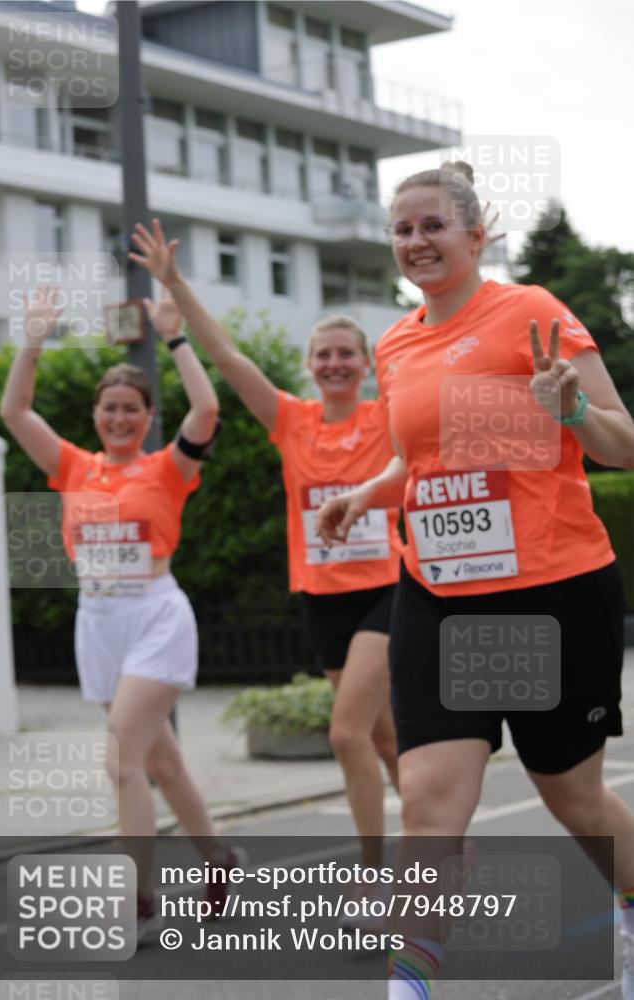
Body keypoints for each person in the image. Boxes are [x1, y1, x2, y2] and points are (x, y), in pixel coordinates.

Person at [315, 162, 634, 997]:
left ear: (473, 234)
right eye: (402, 229)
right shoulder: (395, 342)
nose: (414, 242)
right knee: (426, 798)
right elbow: (416, 464)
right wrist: (362, 493)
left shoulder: (531, 312)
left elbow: (621, 446)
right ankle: (408, 985)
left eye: (431, 227)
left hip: (550, 591)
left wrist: (565, 409)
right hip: (440, 593)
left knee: (574, 800)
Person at [129, 219, 401, 912]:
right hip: (323, 596)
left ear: (365, 365)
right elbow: (224, 354)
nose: (336, 363)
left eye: (347, 354)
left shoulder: (384, 419)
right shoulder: (290, 420)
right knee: (379, 733)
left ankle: (374, 875)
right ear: (310, 364)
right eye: (325, 355)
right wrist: (175, 286)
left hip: (388, 590)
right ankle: (442, 833)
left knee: (345, 733)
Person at [0, 285, 240, 940]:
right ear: (96, 414)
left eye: (132, 409)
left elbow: (208, 406)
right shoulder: (73, 467)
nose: (120, 418)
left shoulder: (168, 468)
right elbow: (14, 410)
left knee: (120, 762)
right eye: (110, 409)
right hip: (99, 622)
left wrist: (175, 335)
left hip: (156, 617)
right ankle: (217, 859)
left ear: (147, 415)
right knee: (160, 762)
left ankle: (137, 898)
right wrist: (33, 339)